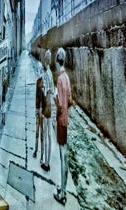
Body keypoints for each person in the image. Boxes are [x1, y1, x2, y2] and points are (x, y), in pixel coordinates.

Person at [54, 47, 73, 205]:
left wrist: (55, 98)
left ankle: (63, 193)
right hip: (66, 120)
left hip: (60, 120)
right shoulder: (66, 77)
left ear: (56, 60)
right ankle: (64, 187)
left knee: (62, 156)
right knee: (64, 153)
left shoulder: (60, 79)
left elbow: (60, 104)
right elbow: (70, 101)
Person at [41, 49, 53, 171]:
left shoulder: (45, 73)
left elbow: (44, 91)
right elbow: (52, 90)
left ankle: (45, 162)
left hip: (46, 106)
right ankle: (48, 161)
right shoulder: (50, 72)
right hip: (50, 105)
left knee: (45, 133)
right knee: (49, 135)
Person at [33, 76, 44, 159]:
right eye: (41, 83)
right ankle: (39, 153)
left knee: (39, 134)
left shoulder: (39, 92)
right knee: (40, 134)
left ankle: (38, 152)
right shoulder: (39, 91)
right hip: (39, 114)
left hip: (40, 114)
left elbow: (40, 105)